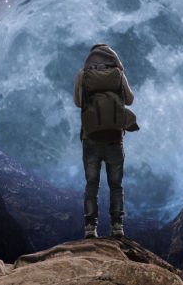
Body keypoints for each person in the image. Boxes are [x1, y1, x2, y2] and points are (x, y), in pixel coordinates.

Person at [73, 43, 134, 239]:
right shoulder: (118, 73)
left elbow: (78, 103)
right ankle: (117, 226)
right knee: (116, 184)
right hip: (115, 138)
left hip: (90, 138)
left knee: (92, 184)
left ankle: (90, 227)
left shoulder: (83, 74)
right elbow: (130, 100)